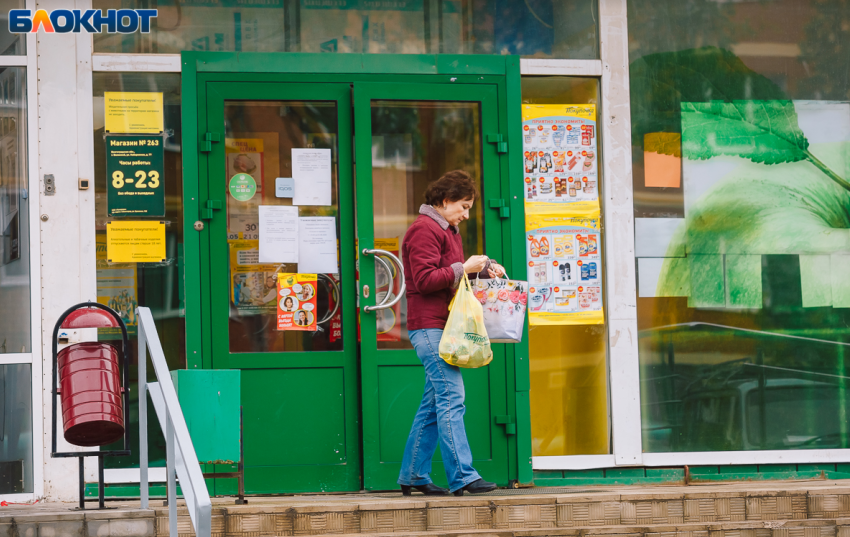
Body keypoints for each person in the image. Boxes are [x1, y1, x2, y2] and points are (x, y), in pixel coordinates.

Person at [397, 170, 505, 497]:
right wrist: (465, 268)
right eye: (463, 206)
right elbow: (426, 279)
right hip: (428, 325)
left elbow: (451, 275)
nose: (466, 214)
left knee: (434, 403)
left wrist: (483, 268)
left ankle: (414, 475)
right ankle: (463, 476)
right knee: (452, 397)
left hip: (440, 326)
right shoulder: (423, 230)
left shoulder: (446, 228)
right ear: (444, 201)